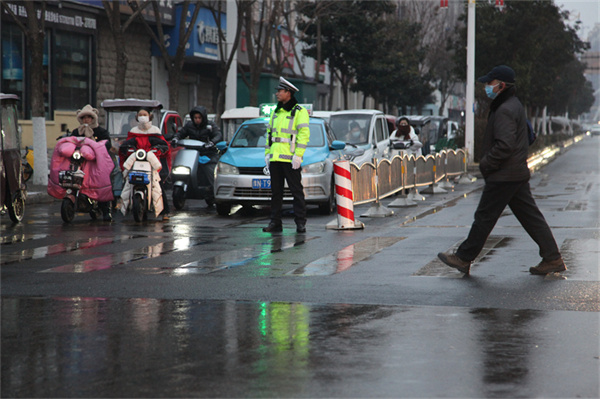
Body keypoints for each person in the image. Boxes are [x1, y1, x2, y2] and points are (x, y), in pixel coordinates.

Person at [437, 65, 566, 276]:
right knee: (530, 217)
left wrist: (486, 163)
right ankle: (553, 258)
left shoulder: (505, 109)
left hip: (505, 174)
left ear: (501, 85)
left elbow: (504, 145)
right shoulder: (512, 105)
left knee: (485, 217)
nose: (487, 87)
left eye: (490, 83)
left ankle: (463, 258)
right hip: (514, 172)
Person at [263, 77, 310, 233]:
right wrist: (267, 154)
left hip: (291, 160)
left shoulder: (299, 112)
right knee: (276, 193)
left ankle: (300, 222)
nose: (277, 93)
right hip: (275, 159)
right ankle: (275, 222)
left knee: (296, 191)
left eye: (280, 91)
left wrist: (298, 155)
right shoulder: (275, 112)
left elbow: (304, 134)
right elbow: (269, 135)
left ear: (288, 93)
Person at [120, 107, 172, 220]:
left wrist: (159, 149)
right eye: (140, 114)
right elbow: (126, 146)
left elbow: (164, 146)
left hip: (152, 163)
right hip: (136, 162)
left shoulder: (155, 130)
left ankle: (165, 211)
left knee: (158, 186)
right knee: (128, 183)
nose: (142, 117)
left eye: (145, 114)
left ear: (150, 116)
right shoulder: (134, 131)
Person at [70, 104, 115, 221]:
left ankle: (106, 210)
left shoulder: (101, 131)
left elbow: (107, 144)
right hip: (80, 161)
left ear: (93, 118)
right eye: (84, 117)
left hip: (96, 163)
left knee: (101, 182)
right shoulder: (76, 131)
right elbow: (70, 142)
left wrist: (99, 146)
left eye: (89, 117)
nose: (86, 120)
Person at [172, 106, 222, 205]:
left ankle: (215, 193)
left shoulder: (210, 125)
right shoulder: (189, 125)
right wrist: (175, 138)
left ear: (203, 117)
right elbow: (181, 133)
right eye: (195, 118)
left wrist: (212, 142)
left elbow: (218, 135)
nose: (197, 120)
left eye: (199, 118)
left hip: (207, 155)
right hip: (191, 154)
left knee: (210, 171)